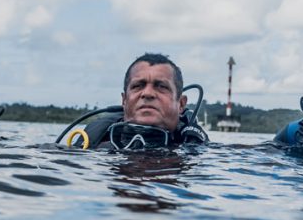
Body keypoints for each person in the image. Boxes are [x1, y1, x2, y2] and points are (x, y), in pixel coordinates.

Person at [60, 53, 208, 150]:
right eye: (138, 86)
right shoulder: (92, 146)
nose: (148, 93)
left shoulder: (197, 152)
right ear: (124, 100)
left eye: (161, 86)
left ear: (181, 104)